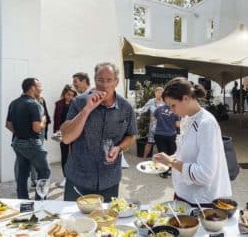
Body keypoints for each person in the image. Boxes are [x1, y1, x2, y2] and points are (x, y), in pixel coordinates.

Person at [61, 62, 137, 202]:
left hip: (109, 180)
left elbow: (131, 135)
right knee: (73, 222)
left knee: (105, 221)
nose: (104, 85)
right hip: (78, 178)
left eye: (109, 80)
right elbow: (66, 138)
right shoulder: (79, 102)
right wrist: (87, 110)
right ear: (95, 80)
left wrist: (119, 147)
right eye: (100, 80)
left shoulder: (126, 107)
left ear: (116, 82)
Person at [153, 77, 231, 206]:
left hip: (201, 200)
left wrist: (171, 162)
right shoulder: (186, 119)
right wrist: (166, 159)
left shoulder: (206, 124)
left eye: (173, 105)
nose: (172, 111)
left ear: (186, 98)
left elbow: (204, 174)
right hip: (184, 193)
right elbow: (186, 154)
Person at [6, 78, 51, 199]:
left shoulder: (14, 103)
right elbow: (37, 128)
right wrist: (44, 121)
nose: (41, 88)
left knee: (22, 174)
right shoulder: (34, 104)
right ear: (32, 88)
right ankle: (40, 202)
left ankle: (23, 202)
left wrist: (22, 133)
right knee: (45, 171)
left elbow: (8, 125)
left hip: (17, 142)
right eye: (39, 86)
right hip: (32, 143)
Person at [53, 84, 77, 188]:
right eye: (68, 94)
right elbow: (56, 120)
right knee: (64, 156)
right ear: (64, 94)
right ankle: (65, 177)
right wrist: (56, 134)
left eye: (72, 95)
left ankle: (74, 178)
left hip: (74, 133)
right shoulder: (59, 104)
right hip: (62, 134)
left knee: (74, 155)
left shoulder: (76, 104)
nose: (70, 97)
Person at [153, 104, 180, 178]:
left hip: (159, 134)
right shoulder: (175, 109)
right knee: (171, 152)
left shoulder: (159, 108)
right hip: (171, 135)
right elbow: (177, 124)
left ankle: (164, 172)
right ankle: (171, 170)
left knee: (162, 153)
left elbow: (153, 119)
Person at [138, 87, 165, 158]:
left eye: (161, 93)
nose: (160, 94)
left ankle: (162, 162)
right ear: (155, 93)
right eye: (158, 92)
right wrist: (136, 110)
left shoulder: (165, 102)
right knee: (149, 143)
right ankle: (144, 158)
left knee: (161, 145)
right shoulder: (151, 101)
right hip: (152, 127)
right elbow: (144, 109)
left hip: (162, 127)